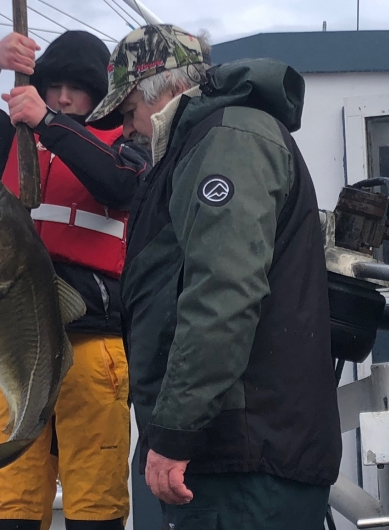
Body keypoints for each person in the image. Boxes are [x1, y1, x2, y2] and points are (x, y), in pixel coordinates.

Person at [86, 24, 342, 529]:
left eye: (126, 110)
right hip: (238, 455)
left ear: (157, 88)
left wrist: (175, 433)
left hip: (244, 463)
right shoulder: (212, 140)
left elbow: (223, 293)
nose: (127, 128)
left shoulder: (227, 141)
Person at [0, 30, 150, 530]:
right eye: (53, 85)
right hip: (19, 350)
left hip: (95, 348)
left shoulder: (129, 147)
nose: (63, 96)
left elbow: (118, 184)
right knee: (14, 502)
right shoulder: (9, 139)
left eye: (79, 88)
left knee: (96, 507)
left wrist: (49, 123)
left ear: (103, 96)